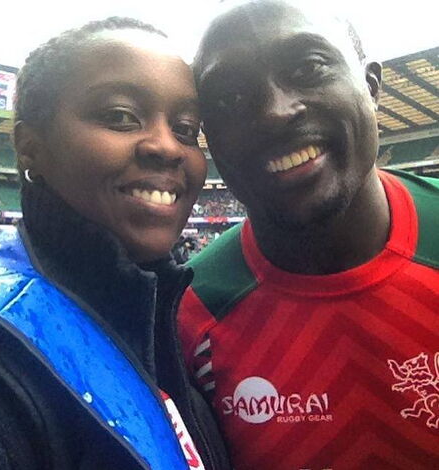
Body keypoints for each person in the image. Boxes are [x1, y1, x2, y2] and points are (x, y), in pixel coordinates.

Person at [178, 1, 439, 469]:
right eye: (230, 99)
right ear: (209, 137)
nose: (276, 112)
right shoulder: (188, 313)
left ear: (371, 87)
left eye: (309, 67)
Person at [0, 17, 231, 470]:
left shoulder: (166, 318)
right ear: (30, 146)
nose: (168, 146)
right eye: (120, 117)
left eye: (187, 128)